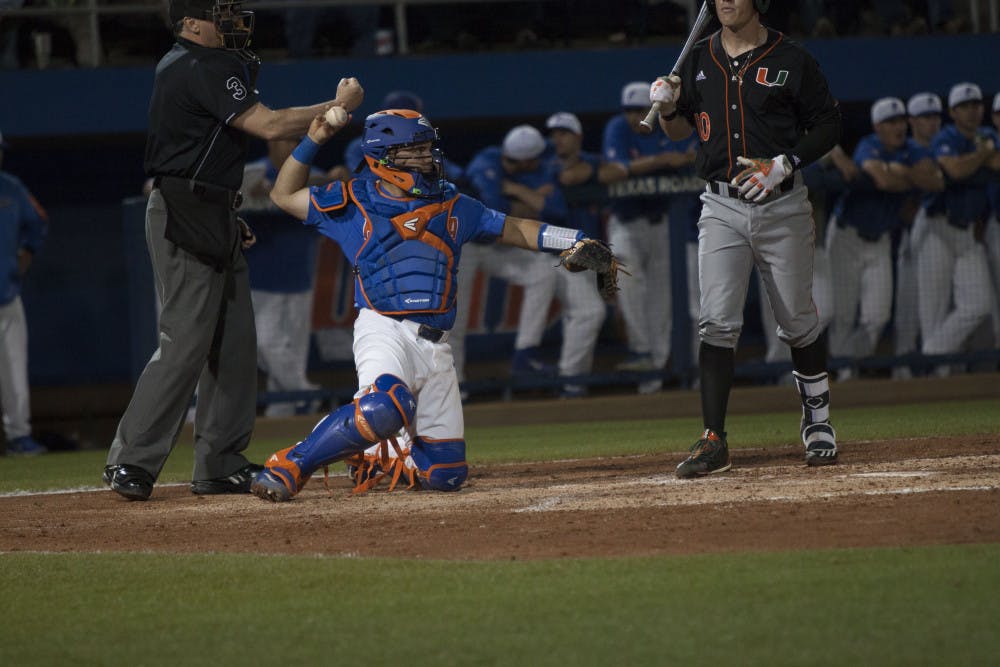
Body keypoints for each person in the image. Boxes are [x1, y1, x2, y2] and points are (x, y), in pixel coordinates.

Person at [250, 108, 616, 501]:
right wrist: (317, 137)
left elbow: (514, 227)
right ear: (385, 157)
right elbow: (282, 195)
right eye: (417, 151)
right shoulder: (352, 200)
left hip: (436, 345)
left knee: (446, 474)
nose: (428, 158)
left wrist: (572, 238)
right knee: (385, 407)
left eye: (428, 149)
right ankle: (290, 464)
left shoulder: (452, 202)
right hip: (383, 328)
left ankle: (374, 454)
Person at [102, 0, 364, 501]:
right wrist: (338, 106)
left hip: (214, 208)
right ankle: (130, 459)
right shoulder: (196, 62)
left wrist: (226, 213)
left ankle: (220, 462)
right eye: (217, 12)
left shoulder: (205, 63)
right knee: (185, 341)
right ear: (190, 22)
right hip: (184, 208)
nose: (230, 21)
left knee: (236, 345)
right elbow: (271, 126)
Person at [649, 0, 842, 475]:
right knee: (715, 322)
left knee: (797, 319)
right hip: (721, 205)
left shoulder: (790, 57)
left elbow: (829, 124)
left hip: (782, 205)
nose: (725, 2)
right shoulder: (699, 56)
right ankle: (713, 438)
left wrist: (785, 163)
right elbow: (678, 133)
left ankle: (817, 420)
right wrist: (670, 108)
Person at [826, 97, 942, 380]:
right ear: (878, 127)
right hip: (846, 238)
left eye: (901, 121)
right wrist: (904, 175)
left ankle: (841, 366)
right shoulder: (869, 145)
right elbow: (884, 181)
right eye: (890, 122)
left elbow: (936, 181)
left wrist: (901, 171)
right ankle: (844, 380)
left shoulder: (911, 149)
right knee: (842, 317)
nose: (898, 127)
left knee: (877, 317)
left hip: (879, 242)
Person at [599, 81, 698, 394]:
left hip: (665, 223)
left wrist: (649, 166)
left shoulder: (670, 127)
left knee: (662, 299)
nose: (633, 116)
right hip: (627, 222)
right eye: (629, 110)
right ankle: (641, 351)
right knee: (628, 277)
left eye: (640, 110)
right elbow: (612, 170)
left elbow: (691, 158)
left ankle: (653, 371)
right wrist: (659, 163)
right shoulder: (617, 128)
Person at [454, 124, 564, 382]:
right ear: (527, 162)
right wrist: (528, 200)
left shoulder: (522, 173)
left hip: (495, 248)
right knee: (455, 320)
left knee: (542, 273)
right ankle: (454, 384)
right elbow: (494, 212)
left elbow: (555, 209)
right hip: (465, 247)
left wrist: (516, 192)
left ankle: (524, 355)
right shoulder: (485, 163)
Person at [913, 82, 999, 374]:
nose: (972, 111)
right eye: (964, 106)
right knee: (933, 313)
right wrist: (982, 156)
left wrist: (981, 156)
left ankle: (931, 356)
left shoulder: (987, 135)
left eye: (976, 105)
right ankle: (935, 378)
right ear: (952, 112)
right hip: (936, 227)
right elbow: (955, 170)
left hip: (966, 232)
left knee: (979, 304)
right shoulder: (945, 136)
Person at [241, 139, 330, 417]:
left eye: (295, 143)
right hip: (260, 280)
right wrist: (255, 195)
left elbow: (328, 194)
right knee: (265, 345)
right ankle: (307, 393)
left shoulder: (311, 174)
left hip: (300, 279)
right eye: (283, 143)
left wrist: (333, 179)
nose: (289, 149)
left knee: (293, 355)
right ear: (270, 146)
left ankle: (282, 415)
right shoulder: (250, 173)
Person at [541, 111, 609, 397]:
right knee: (590, 312)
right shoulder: (547, 167)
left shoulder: (593, 161)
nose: (558, 139)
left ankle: (573, 383)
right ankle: (570, 381)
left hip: (588, 255)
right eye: (554, 134)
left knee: (580, 314)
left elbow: (618, 169)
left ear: (578, 137)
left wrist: (591, 174)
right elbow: (561, 181)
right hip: (553, 254)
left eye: (564, 133)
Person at [0, 128, 48, 456]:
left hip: (7, 295)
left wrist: (26, 253)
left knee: (15, 372)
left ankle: (19, 437)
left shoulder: (12, 188)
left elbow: (39, 221)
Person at [893, 91, 945, 378]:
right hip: (907, 240)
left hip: (938, 236)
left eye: (936, 116)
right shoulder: (905, 148)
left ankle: (938, 370)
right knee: (908, 313)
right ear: (913, 121)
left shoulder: (944, 148)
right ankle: (902, 377)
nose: (932, 123)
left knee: (935, 309)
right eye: (925, 117)